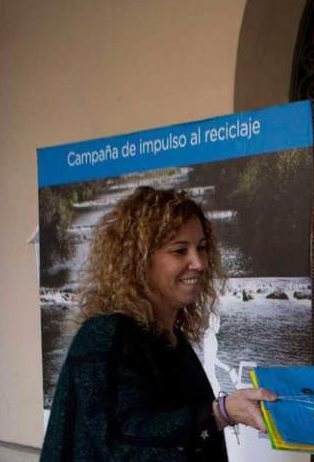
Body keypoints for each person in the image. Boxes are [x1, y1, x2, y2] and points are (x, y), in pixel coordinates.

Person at [41, 186, 275, 461]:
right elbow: (124, 446)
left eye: (201, 247)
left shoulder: (171, 339)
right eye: (180, 251)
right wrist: (220, 413)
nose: (198, 263)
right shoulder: (104, 337)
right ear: (138, 261)